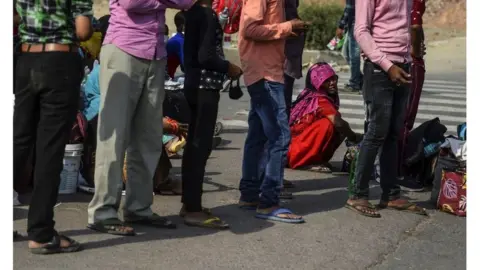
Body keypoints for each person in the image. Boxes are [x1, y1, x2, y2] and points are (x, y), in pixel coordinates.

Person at [87, 0, 195, 236]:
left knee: (148, 137)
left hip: (155, 53)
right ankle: (103, 211)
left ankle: (139, 207)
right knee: (114, 136)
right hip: (124, 49)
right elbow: (131, 3)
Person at [14, 0, 93, 254]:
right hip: (59, 61)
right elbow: (83, 31)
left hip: (25, 60)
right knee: (49, 148)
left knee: (19, 142)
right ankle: (41, 232)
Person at [346, 0, 427, 217]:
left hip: (404, 65)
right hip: (380, 69)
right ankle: (357, 194)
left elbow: (409, 24)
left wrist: (413, 51)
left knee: (394, 134)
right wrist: (387, 65)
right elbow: (361, 31)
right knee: (376, 133)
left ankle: (390, 194)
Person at [237, 0, 308, 224]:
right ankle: (269, 201)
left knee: (258, 136)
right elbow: (250, 29)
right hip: (264, 74)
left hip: (266, 70)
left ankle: (250, 194)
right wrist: (288, 27)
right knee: (279, 137)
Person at [180, 0, 242, 229]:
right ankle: (193, 209)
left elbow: (192, 57)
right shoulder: (206, 15)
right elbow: (206, 56)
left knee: (194, 146)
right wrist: (228, 67)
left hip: (194, 84)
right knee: (200, 146)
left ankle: (190, 203)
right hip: (205, 88)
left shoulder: (193, 12)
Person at [287, 63, 362, 171]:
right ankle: (305, 162)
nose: (332, 83)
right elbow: (338, 123)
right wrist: (354, 137)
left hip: (293, 148)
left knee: (338, 124)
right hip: (294, 151)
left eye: (334, 79)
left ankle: (316, 159)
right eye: (326, 81)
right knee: (330, 124)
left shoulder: (310, 94)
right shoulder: (320, 99)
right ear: (317, 82)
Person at [397, 0, 427, 191]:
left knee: (394, 117)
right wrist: (416, 49)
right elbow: (415, 25)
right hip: (410, 61)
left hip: (393, 57)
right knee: (405, 118)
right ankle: (396, 171)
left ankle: (386, 168)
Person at [336, 0, 363, 93]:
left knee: (354, 55)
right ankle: (359, 79)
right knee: (346, 53)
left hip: (356, 23)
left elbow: (350, 8)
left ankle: (355, 84)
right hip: (352, 23)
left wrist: (341, 25)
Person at [166, 11, 186, 78]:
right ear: (183, 26)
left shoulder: (176, 39)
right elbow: (185, 66)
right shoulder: (180, 42)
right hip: (172, 78)